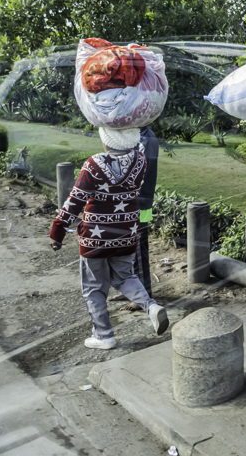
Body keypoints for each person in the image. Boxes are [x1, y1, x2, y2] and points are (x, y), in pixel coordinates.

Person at [49, 126, 169, 350]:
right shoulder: (140, 160)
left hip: (95, 238)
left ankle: (103, 336)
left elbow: (75, 201)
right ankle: (151, 307)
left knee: (94, 287)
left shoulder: (93, 164)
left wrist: (57, 231)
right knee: (125, 277)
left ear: (106, 141)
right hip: (127, 233)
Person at [109, 125, 158, 312]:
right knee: (127, 250)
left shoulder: (146, 139)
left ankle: (142, 295)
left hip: (138, 203)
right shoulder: (137, 135)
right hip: (130, 202)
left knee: (137, 251)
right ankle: (131, 290)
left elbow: (140, 171)